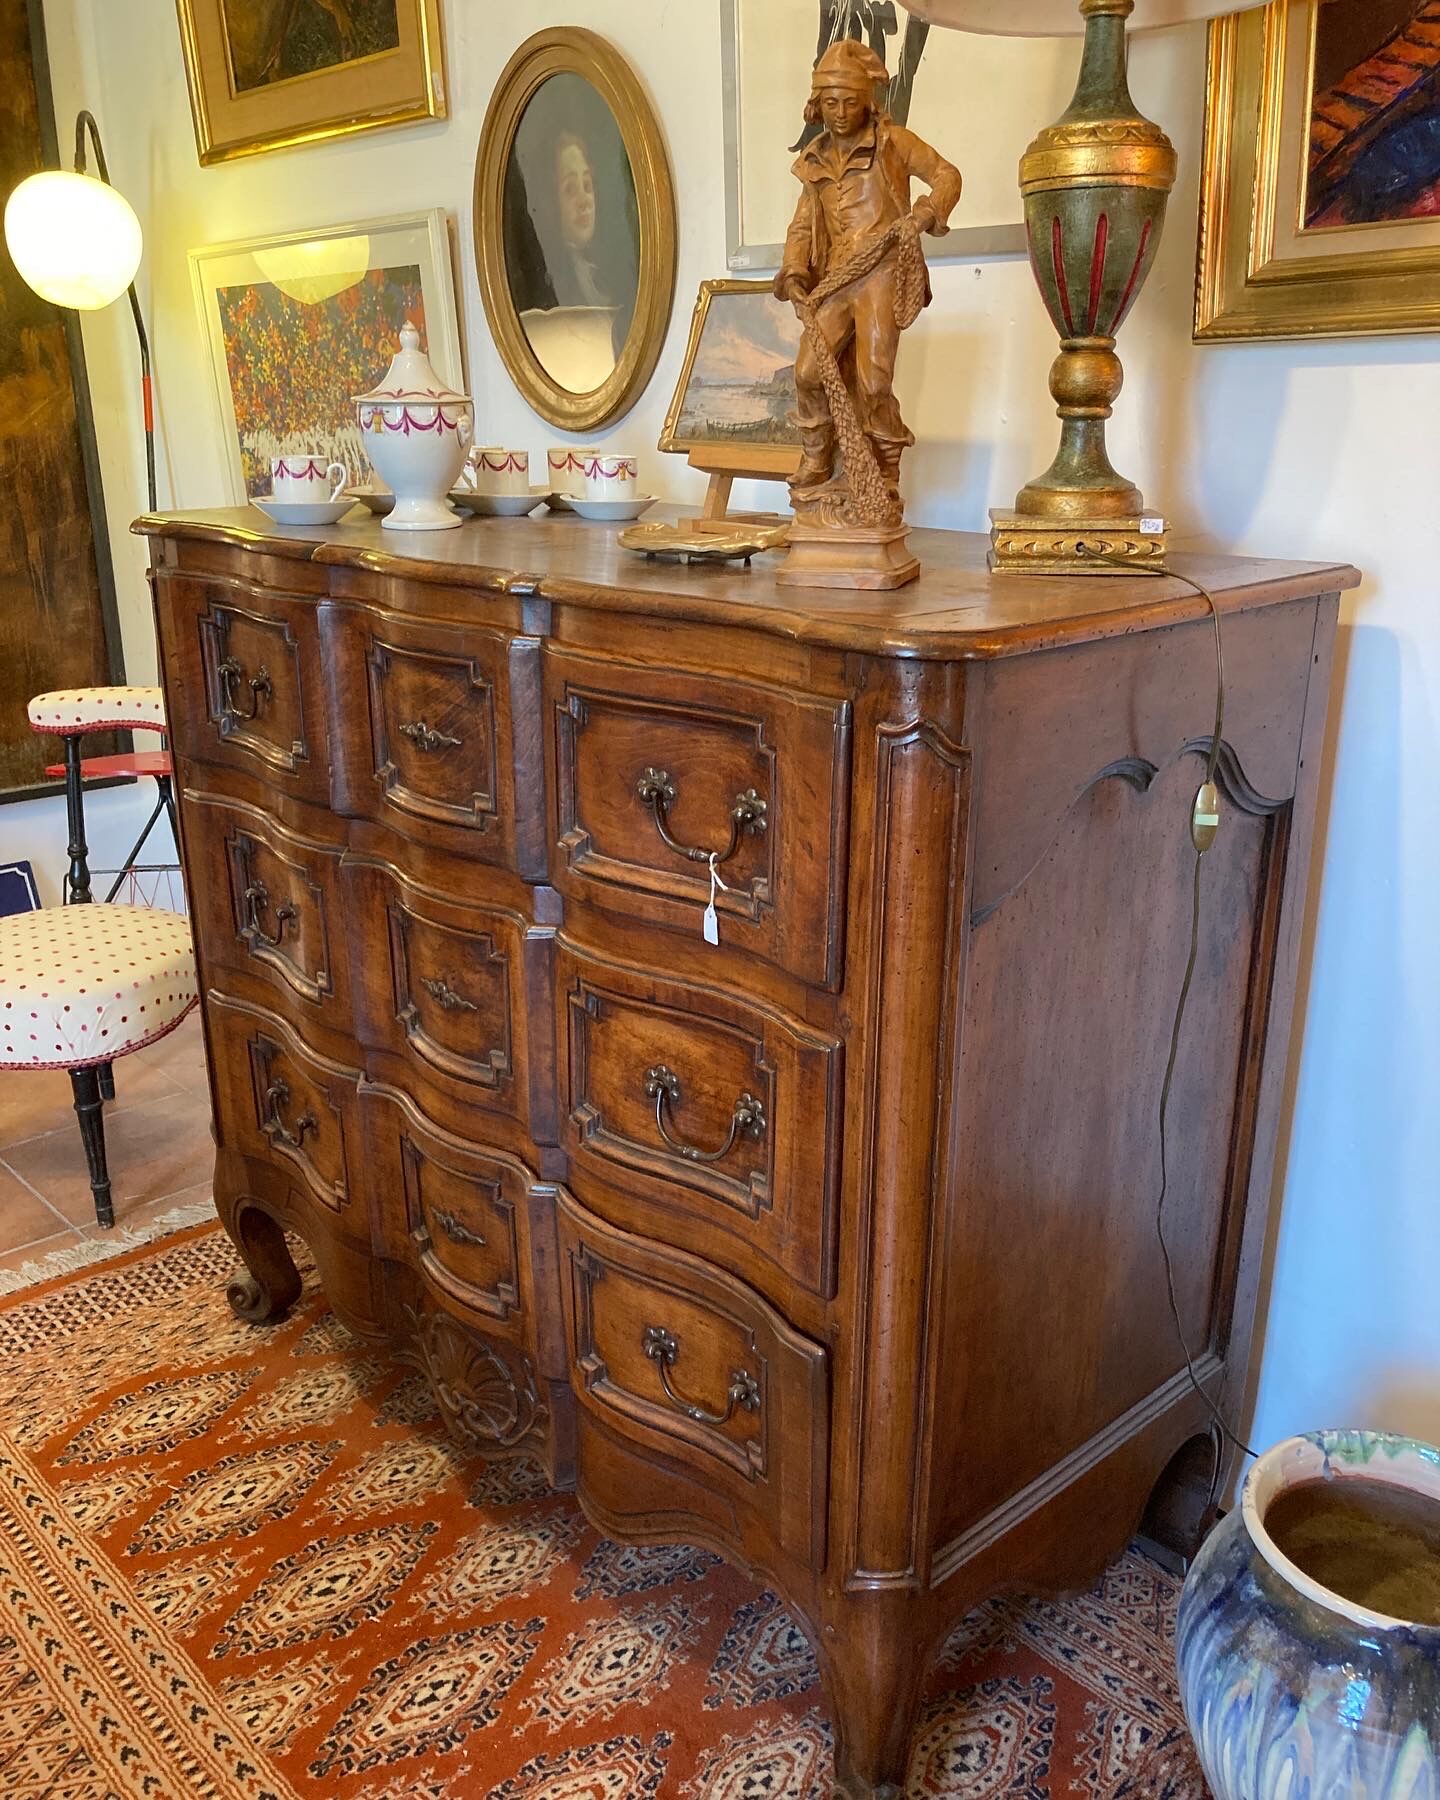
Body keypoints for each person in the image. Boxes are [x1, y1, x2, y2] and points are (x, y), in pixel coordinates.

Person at [774, 38, 961, 495]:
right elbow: (802, 225)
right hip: (836, 278)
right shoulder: (814, 159)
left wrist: (924, 212)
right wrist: (795, 270)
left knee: (874, 380)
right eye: (831, 102)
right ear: (817, 104)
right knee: (807, 372)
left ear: (867, 100)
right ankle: (818, 457)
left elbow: (947, 175)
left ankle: (884, 469)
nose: (840, 112)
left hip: (880, 272)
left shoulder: (892, 142)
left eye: (851, 101)